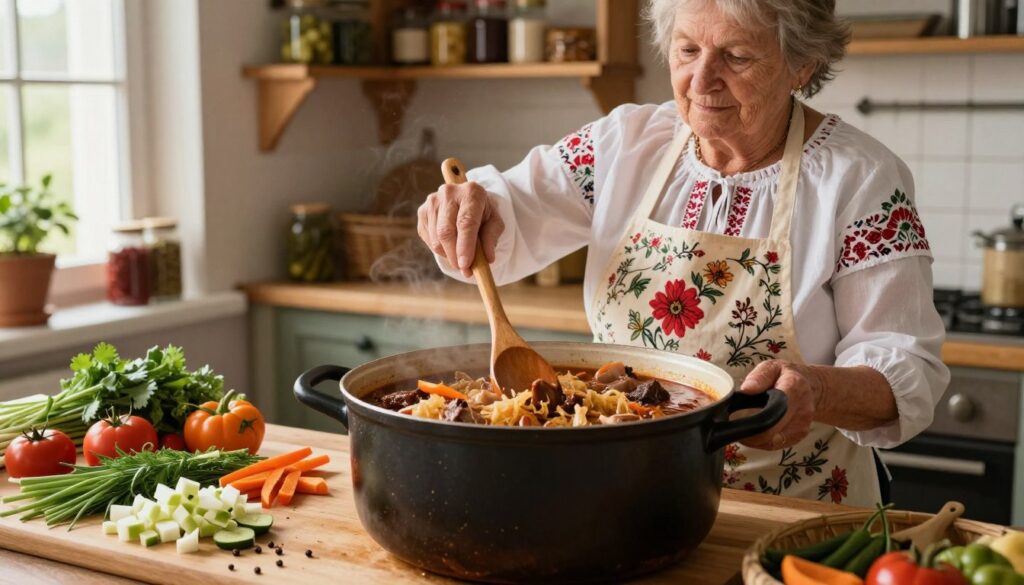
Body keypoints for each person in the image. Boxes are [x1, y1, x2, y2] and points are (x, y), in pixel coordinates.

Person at [416, 0, 949, 507]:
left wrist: (817, 388)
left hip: (795, 515)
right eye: (687, 49)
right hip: (627, 499)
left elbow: (906, 368)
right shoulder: (624, 143)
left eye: (736, 57)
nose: (700, 80)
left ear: (801, 64)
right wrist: (467, 209)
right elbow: (510, 209)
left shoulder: (859, 178)